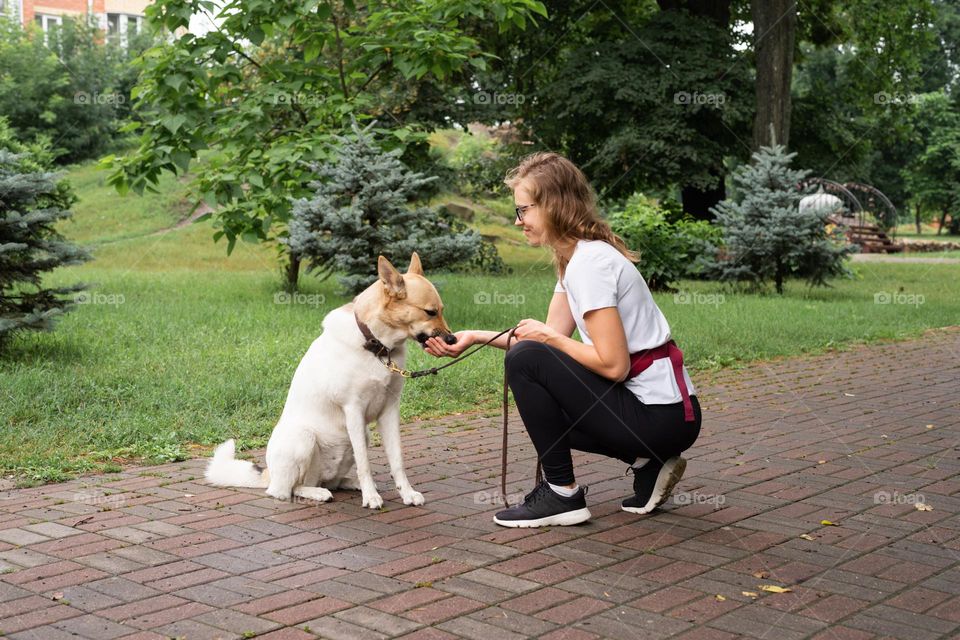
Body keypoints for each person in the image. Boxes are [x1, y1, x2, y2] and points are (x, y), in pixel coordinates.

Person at [424, 152, 702, 528]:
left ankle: (562, 493)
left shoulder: (590, 265)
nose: (519, 221)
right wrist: (474, 336)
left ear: (554, 206)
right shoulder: (576, 260)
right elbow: (545, 343)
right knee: (531, 364)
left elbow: (613, 365)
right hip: (663, 414)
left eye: (523, 210)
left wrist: (550, 339)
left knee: (525, 361)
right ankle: (648, 463)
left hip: (661, 417)